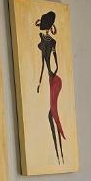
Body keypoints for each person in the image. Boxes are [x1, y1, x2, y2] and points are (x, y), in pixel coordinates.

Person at [35, 11, 65, 163]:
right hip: (51, 78)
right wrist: (40, 82)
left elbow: (55, 63)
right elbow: (43, 64)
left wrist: (50, 75)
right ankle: (59, 154)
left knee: (53, 114)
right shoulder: (44, 41)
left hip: (55, 80)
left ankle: (60, 154)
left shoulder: (50, 42)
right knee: (51, 115)